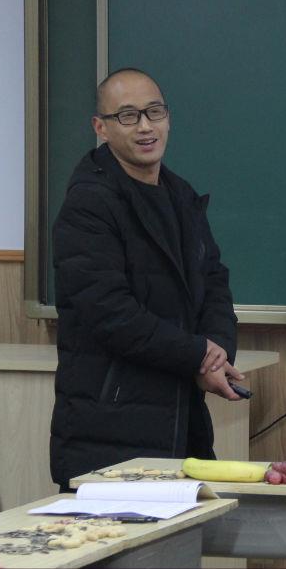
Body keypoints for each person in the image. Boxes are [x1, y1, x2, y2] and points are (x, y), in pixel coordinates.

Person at [50, 67, 243, 490]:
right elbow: (111, 313)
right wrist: (197, 355)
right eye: (127, 116)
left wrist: (216, 352)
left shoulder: (181, 196)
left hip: (180, 424)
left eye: (154, 112)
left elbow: (214, 282)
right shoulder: (88, 204)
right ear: (100, 127)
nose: (144, 126)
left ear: (168, 118)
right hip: (109, 430)